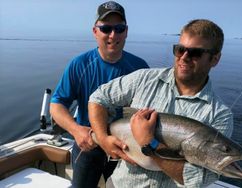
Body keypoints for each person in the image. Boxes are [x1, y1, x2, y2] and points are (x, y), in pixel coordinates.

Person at [88, 19, 233, 187]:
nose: (184, 58)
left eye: (195, 53)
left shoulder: (220, 115)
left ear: (215, 59)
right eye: (179, 50)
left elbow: (197, 180)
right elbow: (99, 97)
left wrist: (150, 143)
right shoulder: (144, 79)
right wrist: (103, 138)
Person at [50, 1, 149, 187]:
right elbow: (57, 104)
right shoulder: (79, 65)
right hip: (89, 144)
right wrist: (76, 130)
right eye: (106, 28)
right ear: (95, 31)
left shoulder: (140, 68)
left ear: (126, 31)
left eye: (119, 28)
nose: (113, 35)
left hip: (126, 146)